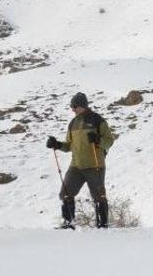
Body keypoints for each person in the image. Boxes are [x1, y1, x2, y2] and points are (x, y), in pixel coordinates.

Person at [45, 92, 115, 228]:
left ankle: (102, 225)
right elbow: (69, 146)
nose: (73, 109)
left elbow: (109, 140)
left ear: (83, 105)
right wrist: (57, 144)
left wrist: (97, 140)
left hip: (94, 164)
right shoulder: (73, 123)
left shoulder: (97, 120)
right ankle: (68, 222)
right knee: (65, 193)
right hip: (76, 165)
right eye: (72, 106)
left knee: (99, 196)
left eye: (75, 106)